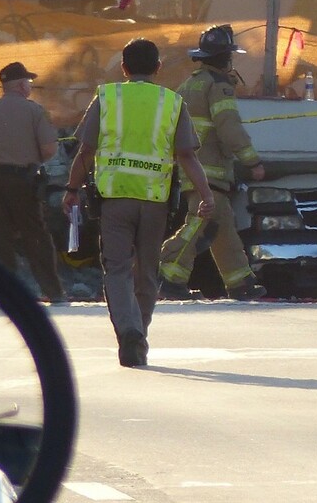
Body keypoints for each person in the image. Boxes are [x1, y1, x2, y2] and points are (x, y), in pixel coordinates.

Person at [61, 38, 215, 367]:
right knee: (147, 271)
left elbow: (85, 151)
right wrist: (206, 195)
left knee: (116, 270)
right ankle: (139, 334)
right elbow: (186, 155)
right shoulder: (172, 102)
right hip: (155, 201)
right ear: (158, 68)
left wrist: (71, 188)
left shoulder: (108, 97)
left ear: (123, 68)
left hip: (115, 200)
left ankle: (129, 331)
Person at [158, 25, 266, 301]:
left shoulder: (187, 85)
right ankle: (169, 272)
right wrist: (252, 161)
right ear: (224, 58)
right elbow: (229, 127)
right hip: (209, 170)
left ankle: (241, 282)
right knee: (201, 222)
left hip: (191, 168)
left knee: (223, 226)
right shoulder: (218, 87)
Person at [0, 62, 66, 303]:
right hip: (24, 181)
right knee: (35, 235)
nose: (30, 86)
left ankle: (3, 292)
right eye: (28, 82)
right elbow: (49, 149)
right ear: (20, 85)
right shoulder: (35, 111)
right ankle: (54, 291)